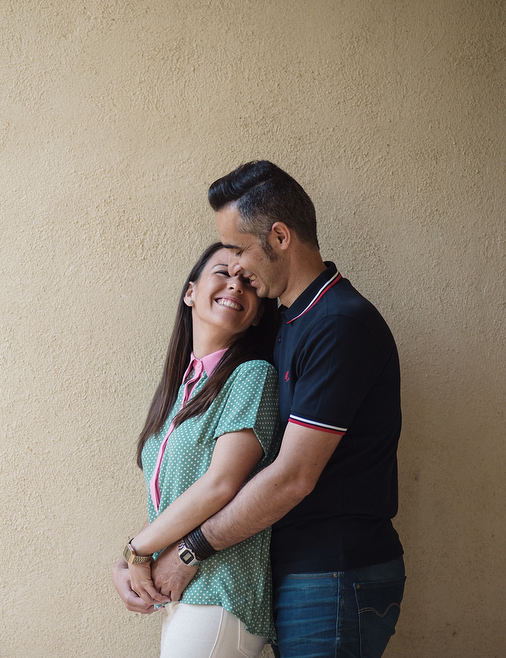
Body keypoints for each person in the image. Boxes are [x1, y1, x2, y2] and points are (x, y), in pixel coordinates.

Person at [152, 161, 405, 657]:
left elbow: (292, 477)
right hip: (305, 575)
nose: (238, 267)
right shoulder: (294, 323)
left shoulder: (338, 324)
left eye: (241, 249)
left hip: (335, 573)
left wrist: (189, 551)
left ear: (281, 236)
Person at [112, 242, 281, 657]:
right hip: (182, 593)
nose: (236, 285)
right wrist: (129, 565)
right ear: (190, 292)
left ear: (258, 312)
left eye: (248, 282)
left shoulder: (252, 376)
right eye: (223, 272)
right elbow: (172, 497)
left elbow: (220, 484)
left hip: (221, 589)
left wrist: (138, 549)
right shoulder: (180, 390)